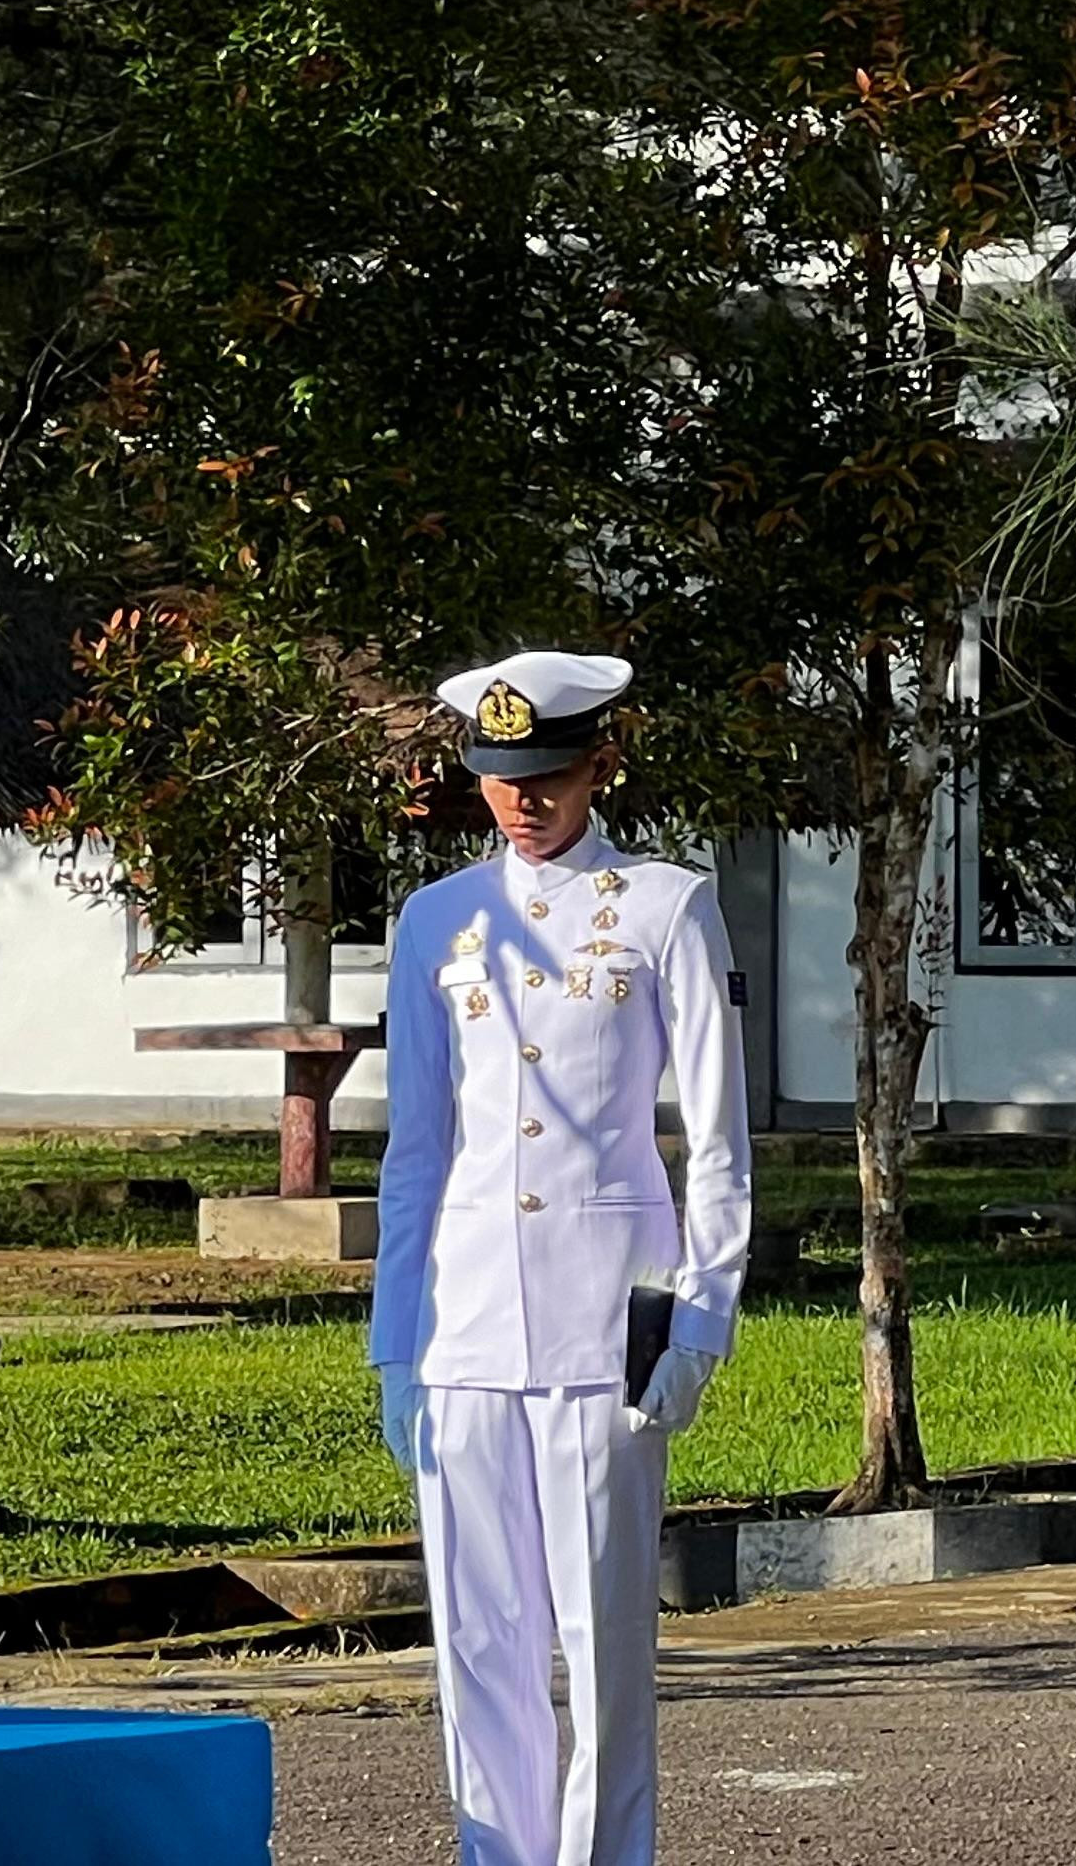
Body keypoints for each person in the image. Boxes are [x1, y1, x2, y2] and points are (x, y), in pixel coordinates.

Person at [371, 648, 750, 1866]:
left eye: (545, 774)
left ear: (599, 764)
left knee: (603, 1647)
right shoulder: (438, 920)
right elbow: (416, 1151)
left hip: (609, 1320)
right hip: (465, 1321)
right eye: (500, 776)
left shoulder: (665, 906)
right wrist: (395, 1347)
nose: (522, 800)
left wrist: (702, 1316)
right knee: (478, 1646)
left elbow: (717, 1139)